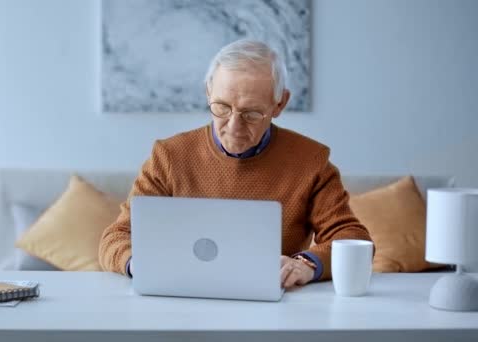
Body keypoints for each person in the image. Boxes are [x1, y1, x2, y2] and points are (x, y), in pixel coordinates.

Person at [99, 39, 373, 290]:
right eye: (222, 107)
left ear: (280, 104)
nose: (233, 126)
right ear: (208, 92)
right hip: (183, 299)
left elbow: (352, 237)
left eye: (251, 113)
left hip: (277, 303)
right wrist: (140, 264)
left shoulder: (311, 161)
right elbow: (116, 237)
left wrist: (306, 264)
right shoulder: (169, 156)